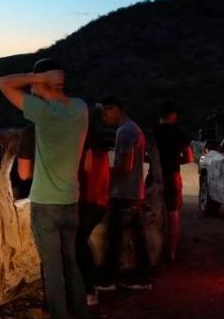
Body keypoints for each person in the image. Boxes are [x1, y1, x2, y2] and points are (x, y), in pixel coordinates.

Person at [0, 58, 91, 319]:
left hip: (46, 201)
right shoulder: (79, 107)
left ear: (40, 84)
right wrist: (47, 80)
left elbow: (2, 82)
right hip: (70, 199)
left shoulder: (43, 113)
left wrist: (35, 76)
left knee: (52, 269)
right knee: (71, 265)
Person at [98, 95, 153, 291]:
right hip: (134, 192)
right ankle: (143, 278)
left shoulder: (125, 131)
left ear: (116, 109)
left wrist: (103, 172)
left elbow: (126, 166)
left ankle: (109, 280)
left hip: (125, 193)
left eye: (106, 111)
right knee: (137, 237)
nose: (104, 115)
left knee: (114, 237)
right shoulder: (132, 129)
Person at [75, 106, 112, 306]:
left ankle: (89, 289)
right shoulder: (95, 138)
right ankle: (90, 286)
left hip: (91, 199)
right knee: (80, 242)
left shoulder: (86, 138)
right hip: (98, 199)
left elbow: (87, 168)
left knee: (78, 242)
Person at [150, 101, 193, 261]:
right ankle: (172, 252)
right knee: (173, 213)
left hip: (154, 175)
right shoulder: (180, 132)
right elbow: (188, 157)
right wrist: (176, 161)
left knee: (153, 212)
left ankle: (154, 248)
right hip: (172, 175)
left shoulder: (152, 132)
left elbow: (146, 155)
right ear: (173, 115)